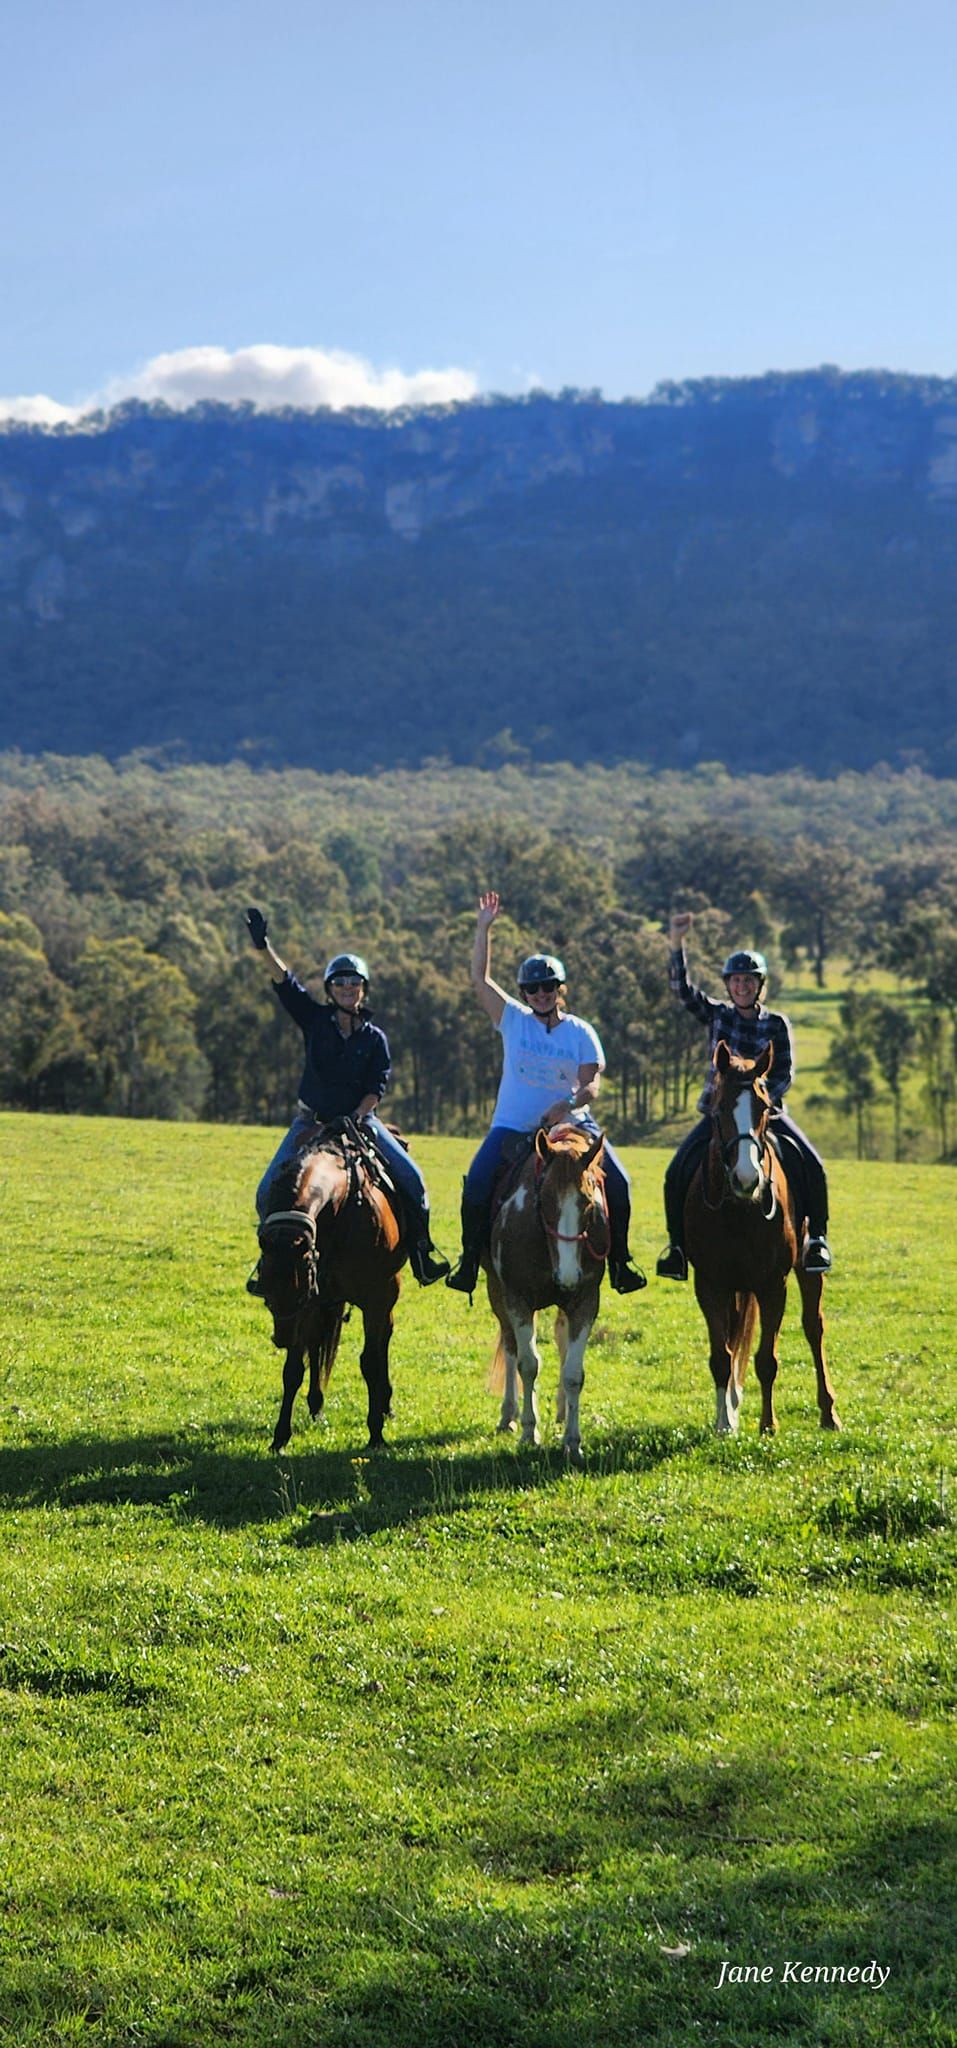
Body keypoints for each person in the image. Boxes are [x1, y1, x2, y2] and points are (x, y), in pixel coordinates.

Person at [446, 891, 646, 1295]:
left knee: (619, 1183)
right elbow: (479, 980)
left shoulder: (580, 1031)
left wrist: (569, 1104)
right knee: (478, 1184)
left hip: (573, 1125)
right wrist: (483, 928)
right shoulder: (512, 1020)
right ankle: (469, 1261)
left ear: (560, 988)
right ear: (523, 993)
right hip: (513, 1126)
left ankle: (621, 1262)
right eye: (533, 988)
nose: (541, 993)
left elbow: (592, 1083)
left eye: (548, 987)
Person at [243, 906, 449, 1287]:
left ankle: (421, 1252)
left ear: (363, 989)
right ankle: (266, 1265)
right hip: (311, 1122)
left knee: (414, 1181)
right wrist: (263, 946)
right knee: (266, 1190)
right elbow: (285, 983)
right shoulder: (314, 1020)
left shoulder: (375, 1039)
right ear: (330, 990)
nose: (348, 989)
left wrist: (357, 1116)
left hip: (360, 1122)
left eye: (354, 984)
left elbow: (376, 1088)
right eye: (340, 984)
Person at [655, 910, 833, 1281]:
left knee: (813, 1166)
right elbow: (681, 991)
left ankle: (816, 1239)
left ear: (760, 985)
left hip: (763, 1116)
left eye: (749, 981)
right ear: (728, 984)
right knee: (675, 1173)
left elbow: (783, 1073)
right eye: (736, 981)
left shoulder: (776, 1024)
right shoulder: (718, 1015)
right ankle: (676, 1248)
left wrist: (760, 1100)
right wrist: (676, 942)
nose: (741, 986)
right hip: (718, 1117)